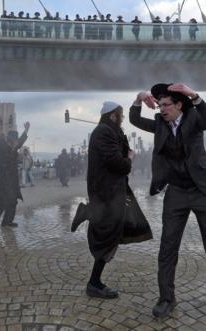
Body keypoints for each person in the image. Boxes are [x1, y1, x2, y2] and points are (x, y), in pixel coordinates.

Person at [130, 84, 206, 328]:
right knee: (168, 247)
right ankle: (166, 298)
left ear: (179, 105)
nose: (162, 110)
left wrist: (194, 94)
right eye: (160, 105)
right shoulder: (160, 124)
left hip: (203, 190)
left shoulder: (195, 118)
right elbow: (134, 118)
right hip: (176, 192)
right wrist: (139, 98)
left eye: (166, 105)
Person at [72, 101, 152, 300]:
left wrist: (123, 138)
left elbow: (120, 152)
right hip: (107, 193)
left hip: (112, 192)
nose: (123, 119)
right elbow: (118, 163)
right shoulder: (104, 132)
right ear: (113, 115)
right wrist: (130, 159)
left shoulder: (109, 131)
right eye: (121, 115)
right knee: (107, 234)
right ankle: (94, 283)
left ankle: (88, 212)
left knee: (115, 231)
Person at [0, 122, 30, 230]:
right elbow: (1, 137)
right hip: (5, 179)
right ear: (10, 140)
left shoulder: (14, 148)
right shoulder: (3, 146)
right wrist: (0, 125)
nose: (17, 142)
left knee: (13, 200)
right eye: (15, 140)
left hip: (13, 179)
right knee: (3, 202)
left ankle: (7, 221)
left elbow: (21, 140)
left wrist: (27, 129)